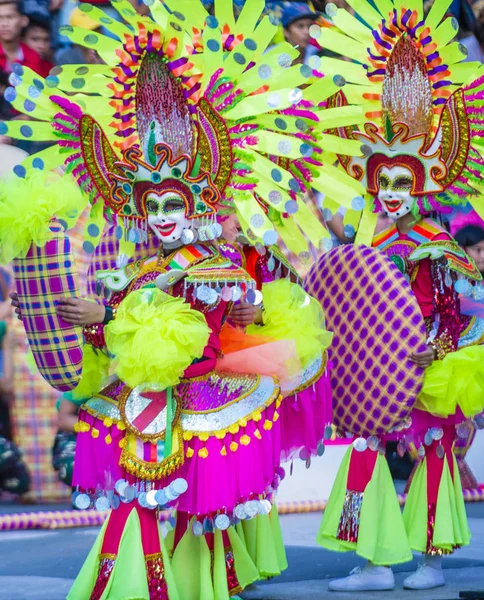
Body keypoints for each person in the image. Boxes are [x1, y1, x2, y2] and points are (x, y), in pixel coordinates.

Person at [2, 1, 340, 597]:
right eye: (152, 205)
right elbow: (136, 322)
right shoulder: (143, 262)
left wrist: (104, 315)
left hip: (196, 386)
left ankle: (191, 582)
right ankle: (157, 583)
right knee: (143, 494)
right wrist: (82, 320)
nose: (160, 216)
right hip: (152, 390)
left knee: (183, 498)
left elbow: (183, 326)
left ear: (197, 207)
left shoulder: (209, 262)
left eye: (173, 205)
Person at [306, 0, 484, 592]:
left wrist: (436, 347)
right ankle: (373, 562)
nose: (391, 193)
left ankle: (431, 561)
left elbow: (462, 313)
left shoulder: (438, 243)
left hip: (428, 364)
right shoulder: (366, 241)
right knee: (361, 448)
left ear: (423, 183)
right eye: (382, 182)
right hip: (374, 370)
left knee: (433, 449)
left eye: (403, 182)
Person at [0, 0, 49, 76]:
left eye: (10, 17)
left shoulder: (33, 57)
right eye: (0, 18)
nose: (4, 24)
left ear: (24, 21)